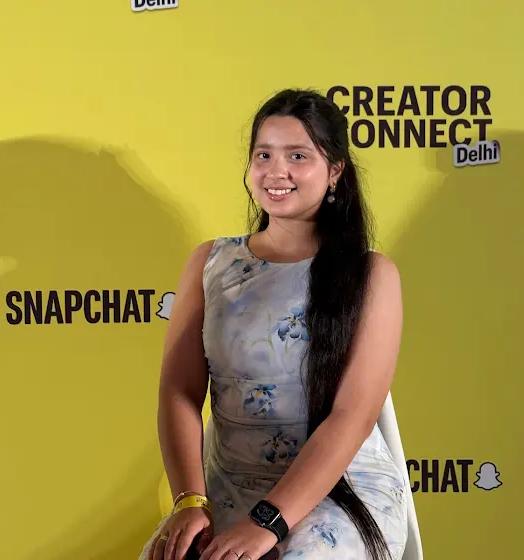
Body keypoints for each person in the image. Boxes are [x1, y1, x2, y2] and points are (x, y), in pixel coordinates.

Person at [139, 88, 411, 560]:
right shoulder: (211, 262)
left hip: (339, 489)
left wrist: (267, 522)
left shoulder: (371, 274)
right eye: (263, 155)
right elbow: (179, 391)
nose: (276, 171)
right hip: (227, 483)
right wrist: (190, 501)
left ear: (335, 171)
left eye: (297, 156)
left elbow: (352, 415)